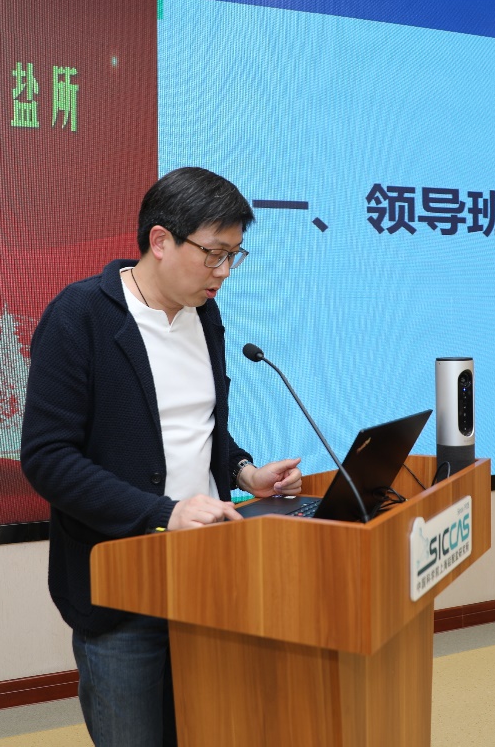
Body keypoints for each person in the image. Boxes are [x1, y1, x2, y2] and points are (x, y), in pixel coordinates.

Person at [20, 167, 303, 747]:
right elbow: (47, 459)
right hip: (124, 587)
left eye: (234, 256)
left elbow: (199, 427)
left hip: (210, 577)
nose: (224, 272)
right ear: (160, 240)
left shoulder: (206, 315)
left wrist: (245, 472)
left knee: (213, 731)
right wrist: (163, 512)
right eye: (213, 254)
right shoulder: (80, 316)